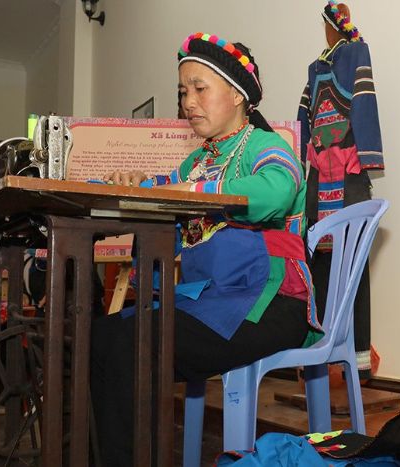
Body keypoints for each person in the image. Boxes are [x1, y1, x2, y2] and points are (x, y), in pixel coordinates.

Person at [92, 32, 321, 466]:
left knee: (130, 342)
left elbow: (275, 191)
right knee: (101, 335)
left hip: (269, 302)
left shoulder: (266, 146)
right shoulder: (197, 161)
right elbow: (172, 220)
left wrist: (191, 190)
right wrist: (139, 189)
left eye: (200, 88)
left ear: (237, 94)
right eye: (183, 92)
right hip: (215, 301)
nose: (188, 101)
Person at [297, 1, 384, 380]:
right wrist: (299, 162)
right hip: (320, 177)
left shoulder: (356, 52)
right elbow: (303, 121)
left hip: (347, 175)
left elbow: (364, 105)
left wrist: (368, 153)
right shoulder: (314, 67)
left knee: (354, 267)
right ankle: (318, 355)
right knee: (317, 264)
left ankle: (357, 359)